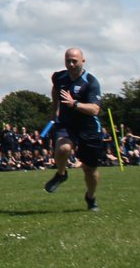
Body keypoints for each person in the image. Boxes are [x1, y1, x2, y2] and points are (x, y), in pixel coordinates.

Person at [45, 47, 104, 211]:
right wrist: (54, 110)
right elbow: (56, 90)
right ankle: (61, 174)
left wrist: (74, 104)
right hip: (66, 124)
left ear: (83, 61)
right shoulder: (59, 77)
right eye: (67, 61)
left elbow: (94, 109)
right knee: (63, 148)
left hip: (89, 129)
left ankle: (91, 197)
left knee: (90, 170)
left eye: (74, 61)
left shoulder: (91, 82)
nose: (70, 64)